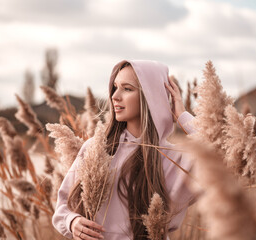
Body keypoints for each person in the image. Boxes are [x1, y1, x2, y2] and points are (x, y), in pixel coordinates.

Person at [52, 60, 196, 239]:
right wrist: (72, 222)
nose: (114, 96)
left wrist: (183, 116)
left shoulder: (174, 158)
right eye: (115, 87)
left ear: (152, 97)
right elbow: (62, 207)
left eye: (127, 89)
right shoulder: (97, 149)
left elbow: (223, 157)